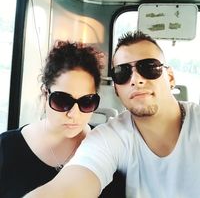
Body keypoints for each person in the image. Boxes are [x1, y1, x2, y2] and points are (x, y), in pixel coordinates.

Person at [24, 30, 200, 198]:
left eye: (149, 67)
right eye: (122, 73)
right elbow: (68, 187)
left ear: (169, 77)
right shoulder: (109, 137)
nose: (136, 80)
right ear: (116, 88)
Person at [0, 40, 105, 198]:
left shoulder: (107, 147)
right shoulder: (6, 148)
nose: (73, 114)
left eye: (86, 101)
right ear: (45, 94)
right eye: (62, 101)